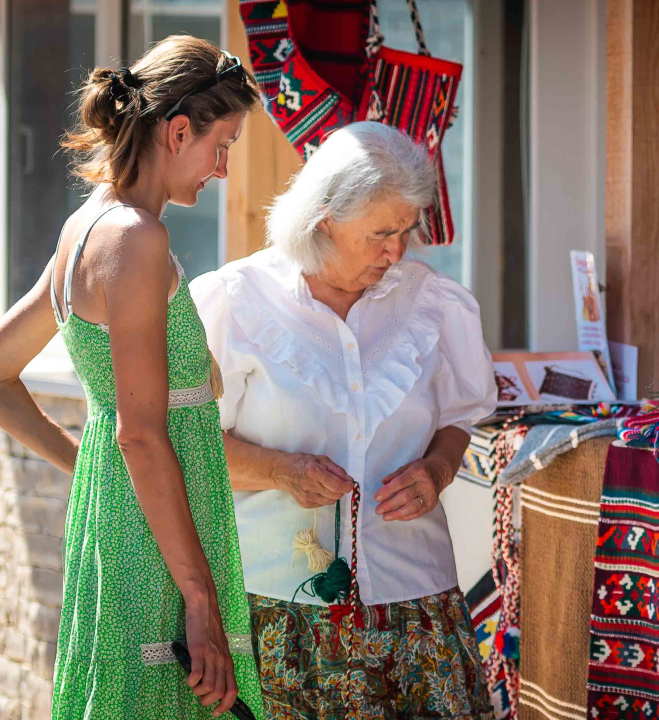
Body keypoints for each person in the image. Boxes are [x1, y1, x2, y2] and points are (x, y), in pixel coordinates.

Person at [189, 121, 497, 719]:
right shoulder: (235, 302)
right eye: (382, 232)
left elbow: (461, 416)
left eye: (408, 230)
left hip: (417, 608)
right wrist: (283, 471)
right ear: (324, 218)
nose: (397, 251)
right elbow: (189, 444)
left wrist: (437, 468)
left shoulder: (435, 304)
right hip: (276, 613)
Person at [0, 36, 265, 719]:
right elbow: (141, 436)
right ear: (179, 130)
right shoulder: (135, 241)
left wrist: (85, 467)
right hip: (160, 551)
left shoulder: (86, 228)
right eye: (223, 144)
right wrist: (201, 601)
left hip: (128, 521)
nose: (225, 169)